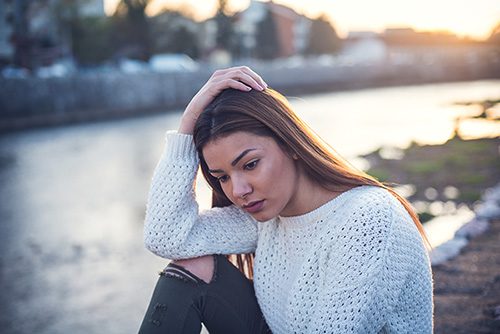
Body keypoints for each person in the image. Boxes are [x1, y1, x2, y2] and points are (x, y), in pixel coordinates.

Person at [139, 67, 433, 333]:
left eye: (250, 164)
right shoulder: (265, 218)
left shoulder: (367, 220)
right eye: (222, 177)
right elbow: (166, 237)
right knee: (192, 269)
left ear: (290, 143)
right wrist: (188, 123)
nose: (238, 190)